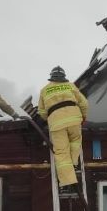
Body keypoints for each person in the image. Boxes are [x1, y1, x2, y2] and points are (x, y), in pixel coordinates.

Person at [37, 66, 88, 194]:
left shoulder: (44, 90)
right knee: (75, 141)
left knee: (61, 153)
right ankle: (74, 163)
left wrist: (50, 118)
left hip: (56, 123)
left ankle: (67, 182)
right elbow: (84, 103)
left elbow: (42, 112)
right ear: (63, 77)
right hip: (74, 119)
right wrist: (84, 116)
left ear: (51, 77)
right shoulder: (70, 86)